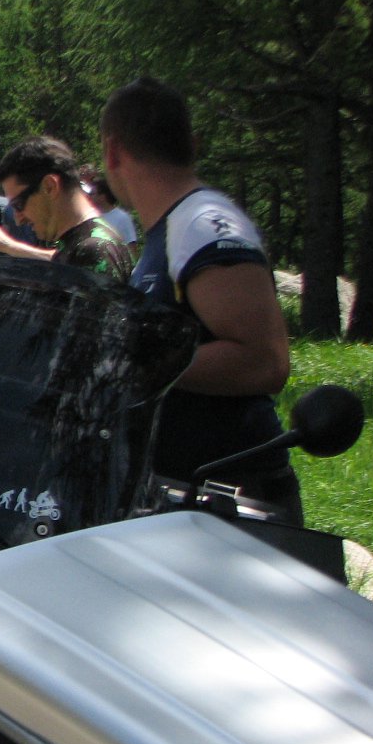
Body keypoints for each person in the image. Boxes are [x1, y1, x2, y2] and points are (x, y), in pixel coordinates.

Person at [100, 77, 298, 521]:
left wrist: (129, 362)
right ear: (192, 144)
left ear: (112, 152)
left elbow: (264, 361)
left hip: (232, 504)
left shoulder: (203, 223)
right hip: (186, 499)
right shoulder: (172, 228)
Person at [0, 137, 132, 281]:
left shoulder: (94, 250)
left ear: (49, 187)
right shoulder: (76, 244)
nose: (18, 219)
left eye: (18, 205)